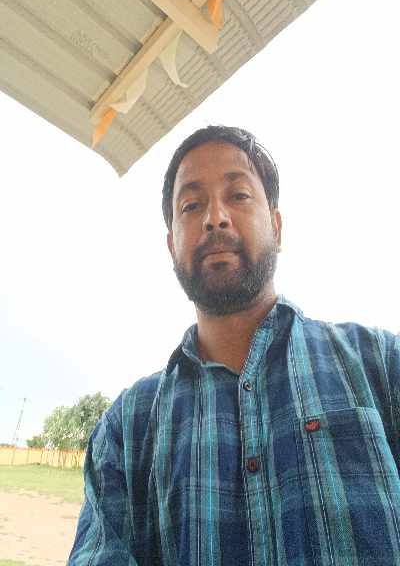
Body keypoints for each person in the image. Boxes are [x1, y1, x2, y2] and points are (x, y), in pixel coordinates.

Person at [68, 126, 400, 566]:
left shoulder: (381, 364)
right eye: (191, 205)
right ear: (171, 245)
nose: (215, 217)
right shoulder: (127, 427)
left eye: (238, 195)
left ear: (277, 227)